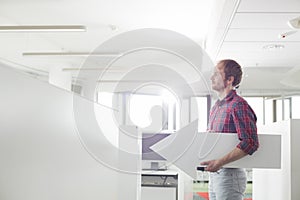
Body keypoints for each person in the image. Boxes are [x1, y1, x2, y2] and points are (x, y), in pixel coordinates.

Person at [200, 59, 259, 200]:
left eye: (216, 74)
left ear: (229, 80)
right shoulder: (216, 107)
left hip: (230, 176)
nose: (211, 77)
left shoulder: (238, 105)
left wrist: (220, 162)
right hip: (215, 175)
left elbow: (250, 142)